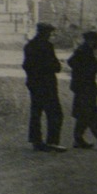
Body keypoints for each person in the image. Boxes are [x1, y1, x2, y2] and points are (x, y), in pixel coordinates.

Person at [22, 21, 65, 152]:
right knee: (55, 113)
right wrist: (54, 66)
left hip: (34, 83)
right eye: (49, 33)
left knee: (36, 112)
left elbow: (26, 65)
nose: (50, 35)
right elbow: (55, 66)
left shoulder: (29, 45)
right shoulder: (46, 46)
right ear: (45, 33)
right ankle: (52, 142)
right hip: (47, 84)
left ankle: (36, 141)